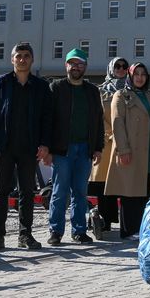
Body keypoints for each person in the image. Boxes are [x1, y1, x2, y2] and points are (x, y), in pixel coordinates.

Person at [0, 42, 52, 251]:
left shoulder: (40, 87)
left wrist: (45, 144)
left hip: (29, 148)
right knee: (0, 191)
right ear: (12, 59)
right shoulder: (1, 83)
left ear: (32, 60)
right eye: (18, 56)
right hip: (4, 147)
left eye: (26, 56)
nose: (22, 59)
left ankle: (25, 235)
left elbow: (47, 117)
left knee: (27, 192)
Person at [106, 62, 150, 239]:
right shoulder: (121, 95)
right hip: (132, 149)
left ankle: (142, 227)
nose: (139, 77)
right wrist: (123, 149)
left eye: (143, 74)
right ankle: (129, 230)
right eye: (136, 74)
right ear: (130, 76)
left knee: (145, 188)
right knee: (131, 191)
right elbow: (117, 124)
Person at [46, 48, 104, 246]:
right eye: (73, 63)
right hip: (62, 149)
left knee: (80, 191)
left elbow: (98, 120)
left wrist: (98, 147)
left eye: (80, 64)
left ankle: (79, 230)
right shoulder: (56, 88)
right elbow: (48, 120)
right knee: (60, 191)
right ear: (66, 65)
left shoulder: (92, 91)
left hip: (85, 149)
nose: (76, 67)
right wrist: (47, 148)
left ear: (85, 67)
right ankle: (55, 231)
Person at [89, 56, 128, 233]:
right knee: (104, 184)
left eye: (124, 66)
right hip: (106, 141)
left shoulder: (132, 90)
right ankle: (105, 221)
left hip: (126, 142)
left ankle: (128, 224)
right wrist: (110, 133)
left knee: (127, 184)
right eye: (117, 66)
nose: (120, 69)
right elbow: (95, 115)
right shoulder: (100, 91)